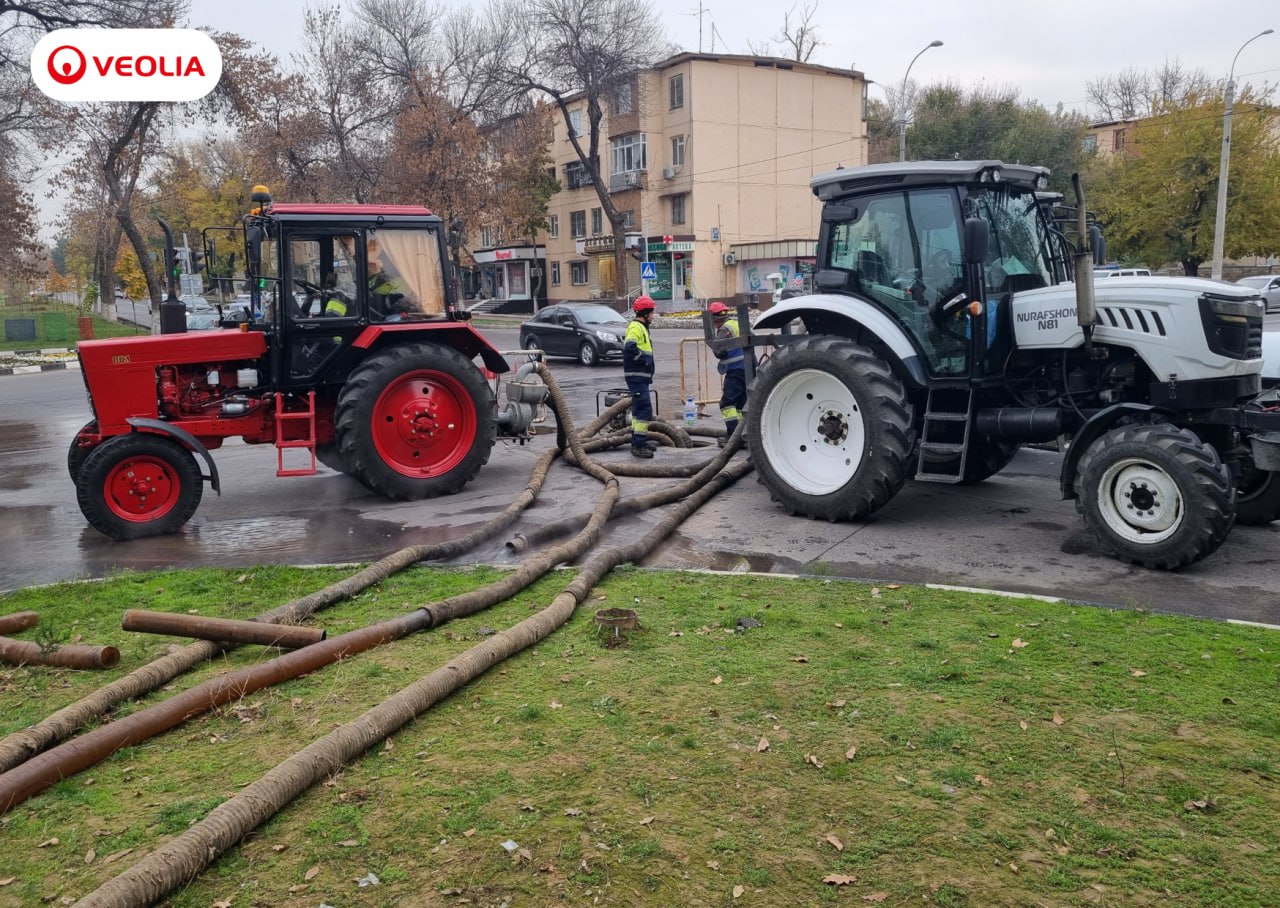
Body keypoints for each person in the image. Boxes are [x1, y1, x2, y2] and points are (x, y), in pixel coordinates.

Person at [623, 295, 658, 458]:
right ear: (645, 313)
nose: (653, 315)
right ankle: (638, 446)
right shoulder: (636, 327)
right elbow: (629, 347)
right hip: (636, 377)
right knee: (645, 409)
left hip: (640, 377)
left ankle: (638, 441)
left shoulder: (641, 326)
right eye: (651, 312)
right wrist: (642, 361)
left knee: (638, 411)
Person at [708, 301, 746, 445]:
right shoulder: (737, 324)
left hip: (736, 370)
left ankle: (733, 438)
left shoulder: (725, 329)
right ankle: (742, 436)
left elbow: (719, 350)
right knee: (742, 405)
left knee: (727, 404)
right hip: (748, 369)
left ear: (715, 319)